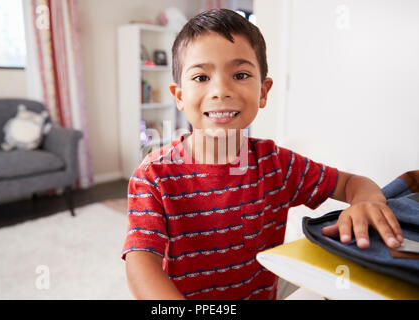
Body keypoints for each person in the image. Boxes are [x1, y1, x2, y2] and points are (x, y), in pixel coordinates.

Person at [122, 8, 404, 300]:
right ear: (180, 96)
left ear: (263, 92)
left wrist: (366, 201)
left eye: (240, 74)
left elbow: (350, 184)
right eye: (202, 77)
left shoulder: (278, 164)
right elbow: (141, 262)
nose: (220, 89)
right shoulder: (153, 176)